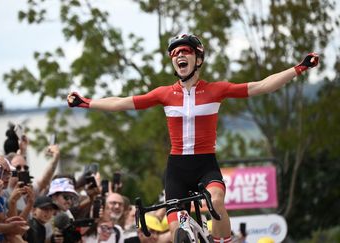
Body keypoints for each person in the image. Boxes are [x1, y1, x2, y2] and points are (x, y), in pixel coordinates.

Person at [67, 33, 319, 242]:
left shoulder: (216, 90)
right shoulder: (164, 93)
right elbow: (120, 102)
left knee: (216, 201)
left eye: (184, 51)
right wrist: (86, 102)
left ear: (198, 58)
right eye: (174, 54)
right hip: (176, 168)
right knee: (178, 234)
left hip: (205, 165)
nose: (179, 56)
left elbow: (263, 85)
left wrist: (300, 67)